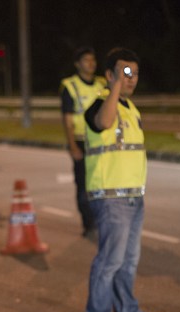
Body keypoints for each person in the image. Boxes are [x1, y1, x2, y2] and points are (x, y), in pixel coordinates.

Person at [83, 47, 160, 312]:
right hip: (110, 196)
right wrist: (114, 86)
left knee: (129, 260)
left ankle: (127, 310)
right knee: (109, 261)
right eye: (124, 72)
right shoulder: (98, 105)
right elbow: (103, 123)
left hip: (133, 196)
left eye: (134, 73)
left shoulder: (131, 109)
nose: (131, 78)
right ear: (109, 75)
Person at [60, 46, 106, 239]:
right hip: (80, 141)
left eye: (92, 60)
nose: (91, 63)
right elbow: (68, 119)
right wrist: (72, 146)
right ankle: (89, 224)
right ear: (77, 64)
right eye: (86, 60)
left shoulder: (102, 84)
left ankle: (101, 219)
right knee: (83, 186)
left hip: (101, 142)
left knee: (101, 183)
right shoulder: (70, 86)